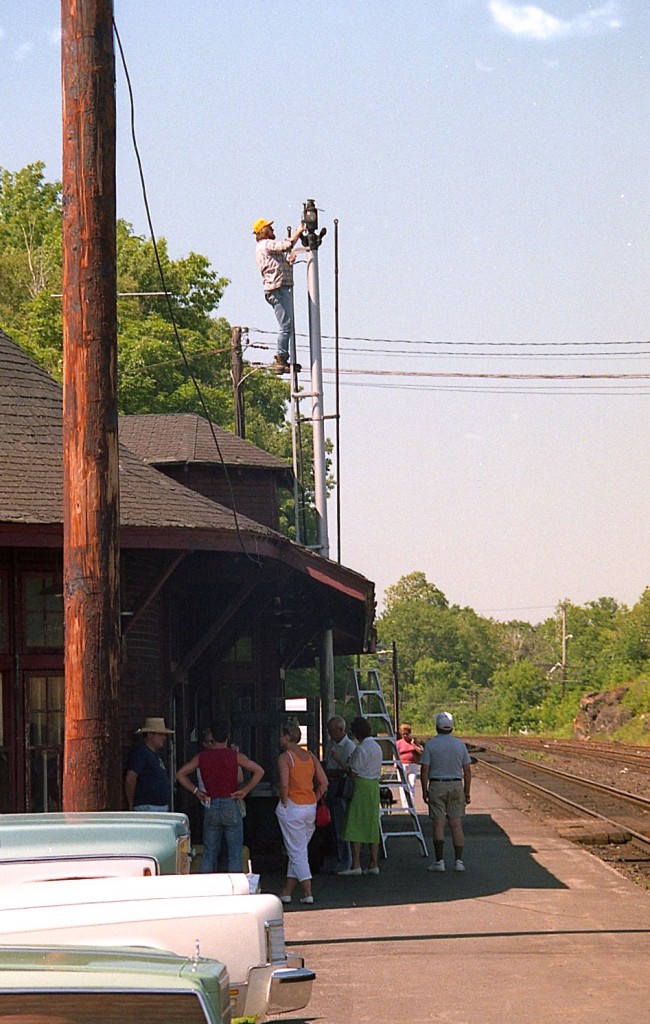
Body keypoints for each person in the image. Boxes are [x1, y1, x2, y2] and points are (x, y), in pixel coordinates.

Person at [176, 719, 264, 873]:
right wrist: (245, 790)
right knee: (235, 853)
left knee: (209, 852)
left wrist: (196, 791)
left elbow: (180, 774)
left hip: (211, 803)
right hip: (230, 801)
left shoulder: (202, 757)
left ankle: (206, 890)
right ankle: (236, 890)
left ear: (212, 737)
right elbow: (259, 771)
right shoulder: (235, 755)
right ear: (228, 736)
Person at [276, 718, 328, 904]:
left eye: (282, 735)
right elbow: (324, 782)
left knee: (297, 852)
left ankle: (308, 892)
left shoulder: (285, 757)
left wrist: (283, 803)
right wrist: (314, 798)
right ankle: (287, 891)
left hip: (292, 806)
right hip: (309, 806)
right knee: (297, 849)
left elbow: (284, 784)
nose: (280, 738)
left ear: (287, 737)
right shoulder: (311, 756)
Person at [420, 711, 472, 873]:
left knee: (438, 824)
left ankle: (439, 861)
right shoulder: (460, 745)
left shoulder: (430, 745)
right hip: (456, 784)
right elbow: (467, 771)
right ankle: (459, 861)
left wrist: (424, 789)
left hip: (437, 784)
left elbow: (425, 770)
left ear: (437, 727)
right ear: (451, 727)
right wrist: (467, 792)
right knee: (456, 824)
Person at [253, 216, 305, 374]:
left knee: (288, 325)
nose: (273, 229)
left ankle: (284, 358)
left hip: (279, 288)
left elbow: (275, 267)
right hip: (277, 289)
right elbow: (286, 244)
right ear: (263, 231)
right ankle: (281, 358)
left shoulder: (263, 248)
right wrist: (299, 231)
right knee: (286, 326)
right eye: (270, 227)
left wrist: (288, 262)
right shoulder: (266, 244)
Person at [339, 716, 383, 876]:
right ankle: (373, 863)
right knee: (371, 824)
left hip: (361, 786)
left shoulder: (361, 749)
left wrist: (340, 762)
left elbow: (353, 772)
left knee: (355, 823)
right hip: (373, 786)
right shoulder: (377, 747)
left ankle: (356, 864)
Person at [323, 716, 356, 873]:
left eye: (332, 731)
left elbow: (349, 770)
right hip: (331, 784)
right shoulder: (331, 743)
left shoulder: (349, 746)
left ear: (341, 730)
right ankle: (338, 857)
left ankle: (346, 860)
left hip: (341, 785)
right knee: (334, 824)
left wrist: (336, 764)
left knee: (341, 823)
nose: (330, 734)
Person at [125, 716, 174, 812]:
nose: (164, 738)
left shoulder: (154, 754)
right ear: (150, 734)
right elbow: (130, 778)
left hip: (158, 807)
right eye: (160, 734)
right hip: (148, 807)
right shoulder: (141, 753)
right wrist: (131, 804)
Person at [396, 722, 424, 809]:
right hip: (402, 765)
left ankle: (411, 805)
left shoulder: (414, 741)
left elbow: (421, 752)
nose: (405, 735)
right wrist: (395, 762)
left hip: (413, 765)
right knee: (403, 785)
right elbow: (395, 753)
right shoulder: (398, 743)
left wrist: (413, 744)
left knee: (412, 785)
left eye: (407, 733)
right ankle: (405, 806)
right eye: (403, 734)